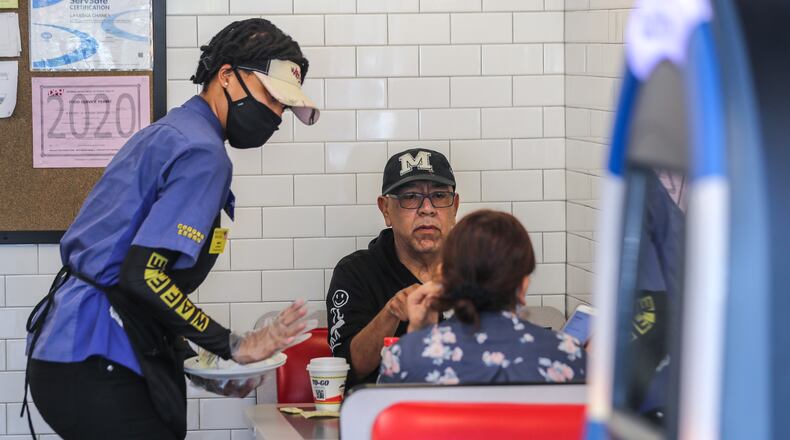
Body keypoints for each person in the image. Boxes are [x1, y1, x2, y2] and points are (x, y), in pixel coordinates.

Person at [23, 19, 320, 440]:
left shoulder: (174, 131)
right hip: (97, 349)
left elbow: (132, 271)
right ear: (227, 76)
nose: (276, 117)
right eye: (272, 98)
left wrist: (196, 362)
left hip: (66, 348)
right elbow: (142, 275)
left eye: (285, 108)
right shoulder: (202, 152)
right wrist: (233, 346)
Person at [378, 210, 586, 385]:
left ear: (445, 279)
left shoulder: (406, 357)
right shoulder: (569, 355)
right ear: (522, 287)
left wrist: (418, 338)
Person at [326, 148, 459, 389]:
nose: (427, 209)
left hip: (463, 414)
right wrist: (391, 313)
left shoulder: (474, 268)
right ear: (386, 209)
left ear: (455, 207)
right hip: (378, 417)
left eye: (439, 196)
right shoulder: (356, 272)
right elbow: (345, 368)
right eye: (410, 197)